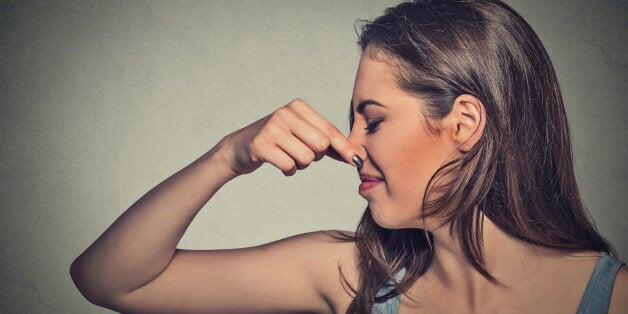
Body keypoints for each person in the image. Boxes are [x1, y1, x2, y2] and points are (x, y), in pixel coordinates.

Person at [70, 0, 627, 313]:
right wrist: (228, 157)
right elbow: (111, 281)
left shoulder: (612, 299)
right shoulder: (353, 276)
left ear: (464, 122)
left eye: (374, 119)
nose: (350, 144)